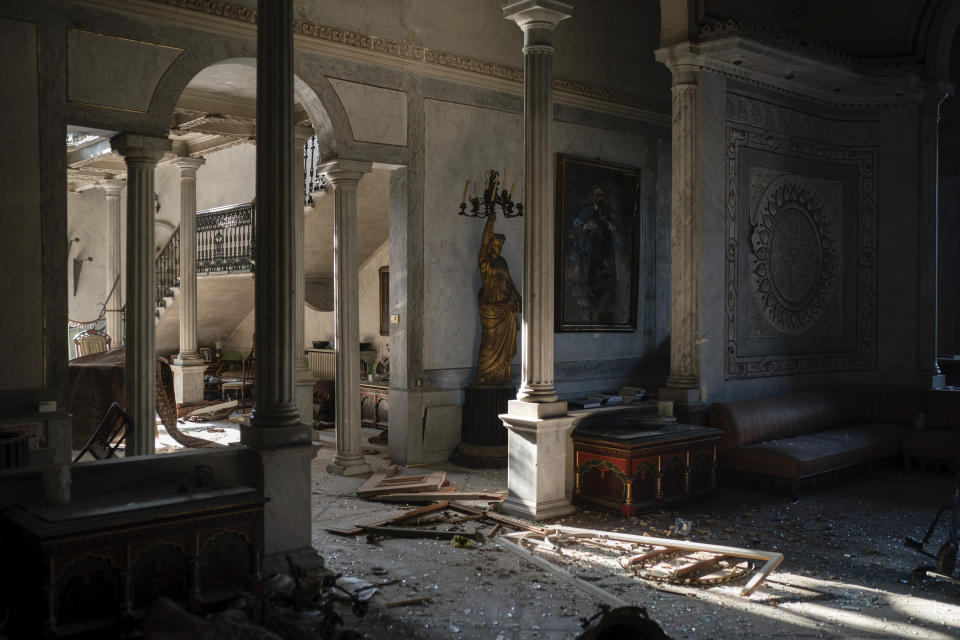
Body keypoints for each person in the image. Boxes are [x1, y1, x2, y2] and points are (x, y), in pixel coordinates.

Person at [471, 211, 521, 387]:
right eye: (496, 243)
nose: (499, 247)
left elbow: (509, 281)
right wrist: (489, 222)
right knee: (489, 341)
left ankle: (500, 376)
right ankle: (484, 374)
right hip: (491, 308)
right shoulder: (484, 260)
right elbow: (483, 242)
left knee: (505, 343)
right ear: (491, 244)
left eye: (501, 245)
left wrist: (517, 296)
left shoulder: (503, 262)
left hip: (505, 306)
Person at [572, 187, 615, 298]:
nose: (598, 197)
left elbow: (614, 227)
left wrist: (608, 223)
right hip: (589, 241)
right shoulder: (587, 210)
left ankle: (601, 272)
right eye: (596, 195)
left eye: (600, 195)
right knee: (594, 244)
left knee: (599, 242)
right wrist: (586, 224)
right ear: (593, 197)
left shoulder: (606, 211)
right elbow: (577, 222)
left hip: (605, 242)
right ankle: (591, 283)